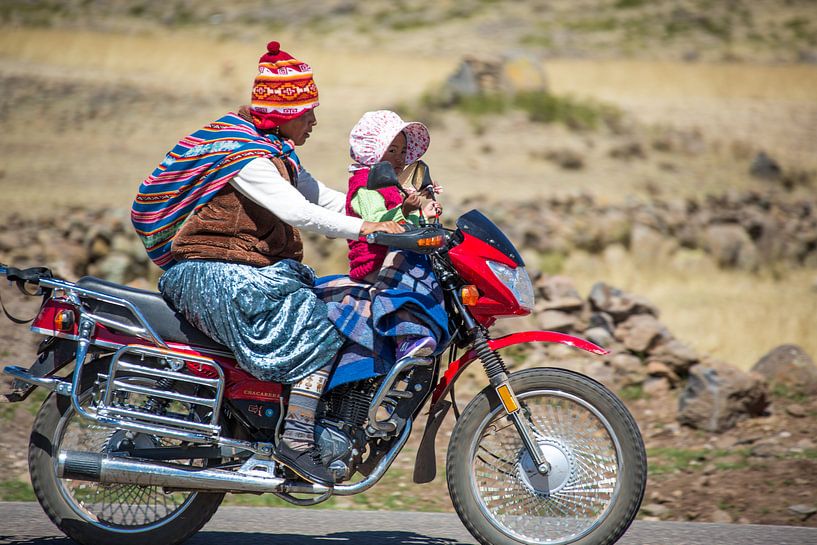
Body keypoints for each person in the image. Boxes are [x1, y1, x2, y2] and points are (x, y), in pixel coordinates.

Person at [131, 41, 402, 486]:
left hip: (246, 273)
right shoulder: (247, 157)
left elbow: (327, 200)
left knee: (337, 304)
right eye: (307, 112)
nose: (314, 121)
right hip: (216, 275)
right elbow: (299, 212)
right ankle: (296, 440)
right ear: (285, 113)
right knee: (324, 326)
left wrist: (395, 215)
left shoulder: (275, 151)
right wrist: (368, 230)